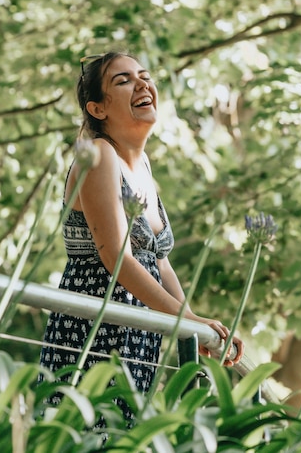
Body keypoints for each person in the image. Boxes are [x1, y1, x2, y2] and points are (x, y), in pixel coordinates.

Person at [39, 51, 244, 405]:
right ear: (97, 109)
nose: (142, 84)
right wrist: (186, 320)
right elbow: (117, 257)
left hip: (137, 333)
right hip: (95, 330)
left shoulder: (142, 165)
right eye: (124, 80)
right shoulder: (100, 154)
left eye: (144, 76)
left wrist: (195, 326)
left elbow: (159, 261)